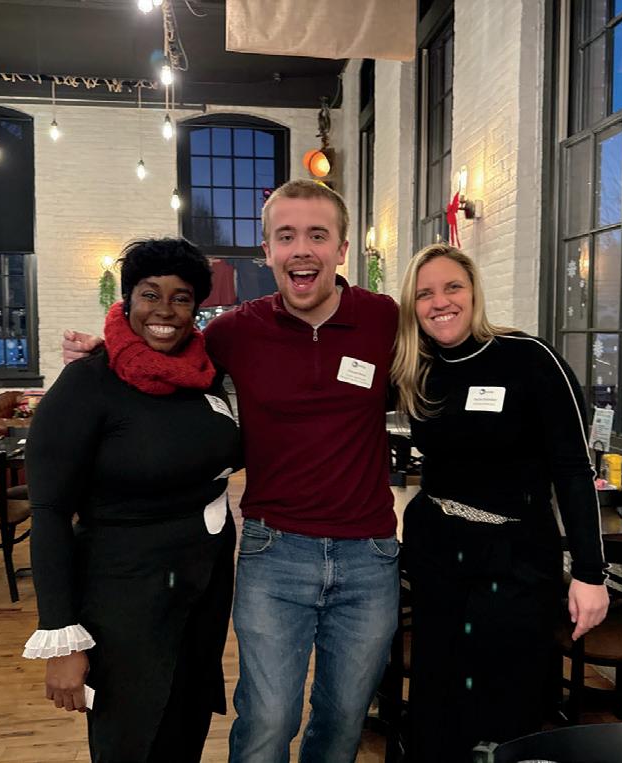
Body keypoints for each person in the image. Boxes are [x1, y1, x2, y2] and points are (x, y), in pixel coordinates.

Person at [62, 180, 400, 763]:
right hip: (276, 551)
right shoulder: (235, 331)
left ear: (342, 249)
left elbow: (448, 347)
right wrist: (107, 350)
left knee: (345, 717)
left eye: (317, 235)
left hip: (369, 555)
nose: (301, 249)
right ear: (267, 250)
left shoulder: (384, 319)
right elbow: (164, 349)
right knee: (269, 718)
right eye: (285, 236)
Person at [22, 238, 242, 762]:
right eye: (149, 294)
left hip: (200, 594)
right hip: (124, 601)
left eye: (181, 297)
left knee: (183, 729)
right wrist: (62, 636)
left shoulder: (206, 377)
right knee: (130, 738)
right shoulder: (88, 382)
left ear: (196, 307)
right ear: (127, 301)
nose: (164, 310)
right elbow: (50, 511)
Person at [390, 243, 610, 760]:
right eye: (424, 293)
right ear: (412, 306)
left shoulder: (528, 358)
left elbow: (574, 470)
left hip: (515, 558)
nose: (440, 302)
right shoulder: (417, 366)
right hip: (438, 553)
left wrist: (590, 572)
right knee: (437, 698)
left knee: (506, 701)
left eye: (453, 287)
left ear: (474, 292)